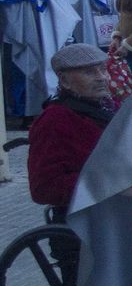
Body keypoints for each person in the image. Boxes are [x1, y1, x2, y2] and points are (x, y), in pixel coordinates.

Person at [28, 43, 113, 211]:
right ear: (64, 81)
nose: (101, 77)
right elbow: (43, 188)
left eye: (103, 70)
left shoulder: (106, 107)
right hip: (84, 219)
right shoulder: (54, 119)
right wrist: (109, 181)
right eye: (89, 72)